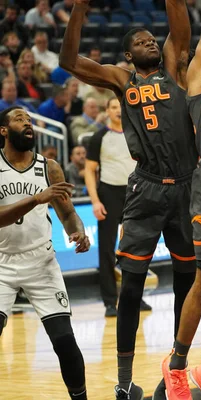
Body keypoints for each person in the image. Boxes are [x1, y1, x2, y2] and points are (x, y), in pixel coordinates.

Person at [60, 0, 199, 398]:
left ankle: (176, 372)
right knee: (131, 289)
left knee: (185, 287)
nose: (150, 43)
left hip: (187, 188)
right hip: (147, 188)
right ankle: (124, 382)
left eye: (152, 39)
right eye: (140, 41)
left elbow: (179, 23)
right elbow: (69, 60)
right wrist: (80, 12)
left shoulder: (174, 67)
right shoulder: (122, 80)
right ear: (128, 54)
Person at [0, 106, 90, 400]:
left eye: (29, 119)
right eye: (18, 119)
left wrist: (77, 231)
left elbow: (67, 213)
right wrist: (36, 198)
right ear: (3, 130)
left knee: (64, 341)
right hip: (2, 264)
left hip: (41, 261)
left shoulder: (48, 167)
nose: (27, 123)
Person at [84, 97, 140, 318]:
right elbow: (89, 170)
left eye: (121, 107)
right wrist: (95, 200)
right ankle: (109, 301)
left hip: (135, 193)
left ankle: (135, 296)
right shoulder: (99, 137)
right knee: (107, 250)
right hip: (109, 194)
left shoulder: (135, 132)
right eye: (114, 107)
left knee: (136, 249)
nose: (118, 111)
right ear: (106, 111)